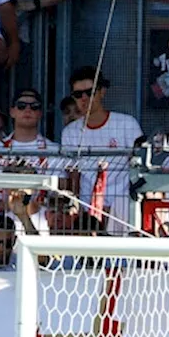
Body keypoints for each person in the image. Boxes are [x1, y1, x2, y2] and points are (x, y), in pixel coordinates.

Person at [60, 66, 143, 234]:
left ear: (102, 92)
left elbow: (140, 169)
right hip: (88, 214)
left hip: (124, 208)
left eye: (89, 92)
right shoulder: (70, 132)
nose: (84, 99)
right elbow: (72, 175)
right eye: (78, 95)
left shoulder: (127, 124)